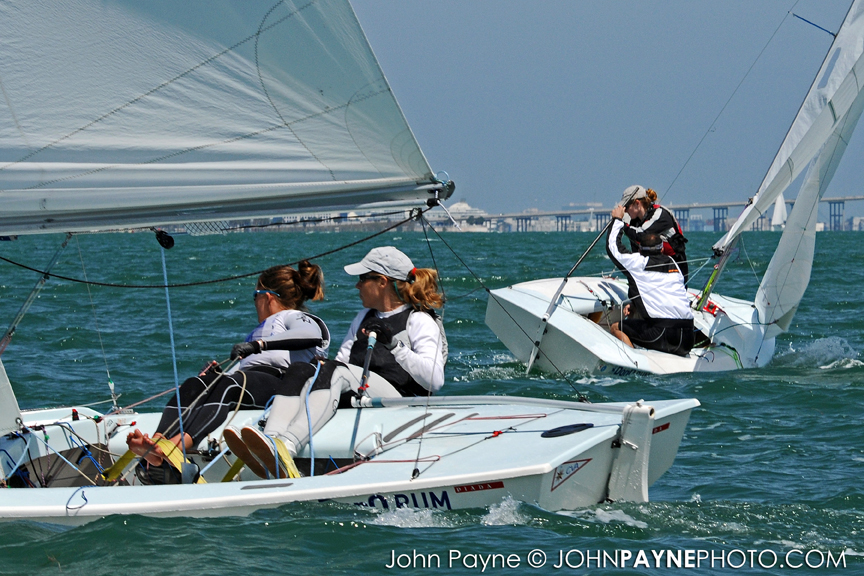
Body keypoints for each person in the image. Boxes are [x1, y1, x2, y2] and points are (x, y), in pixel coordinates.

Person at [224, 246, 447, 479]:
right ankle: (271, 440)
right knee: (301, 369)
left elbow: (434, 380)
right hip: (362, 394)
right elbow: (342, 362)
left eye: (363, 279)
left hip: (399, 401)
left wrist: (394, 345)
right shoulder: (362, 318)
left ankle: (289, 444)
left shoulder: (419, 320)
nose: (357, 285)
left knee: (335, 371)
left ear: (382, 282)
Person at [126, 261, 329, 483]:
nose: (255, 302)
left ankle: (176, 447)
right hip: (248, 381)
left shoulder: (293, 316)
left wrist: (258, 345)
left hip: (280, 384)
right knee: (196, 383)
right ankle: (158, 441)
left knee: (230, 384)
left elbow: (310, 335)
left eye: (255, 296)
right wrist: (214, 375)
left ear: (268, 297)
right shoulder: (261, 329)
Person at [607, 204, 694, 357]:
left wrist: (617, 220)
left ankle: (634, 361)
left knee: (616, 327)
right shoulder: (674, 264)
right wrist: (635, 304)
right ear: (662, 249)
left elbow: (613, 248)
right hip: (688, 338)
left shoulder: (638, 262)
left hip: (662, 334)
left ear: (640, 250)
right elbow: (661, 291)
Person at [619, 185, 689, 283]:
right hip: (653, 272)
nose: (625, 211)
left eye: (626, 207)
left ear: (637, 203)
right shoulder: (635, 222)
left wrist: (620, 222)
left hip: (675, 271)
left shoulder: (660, 214)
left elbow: (641, 235)